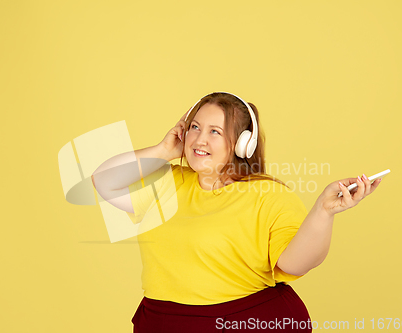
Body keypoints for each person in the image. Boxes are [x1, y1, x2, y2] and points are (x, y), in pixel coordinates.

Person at [91, 92, 383, 333]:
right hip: (162, 322)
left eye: (214, 131)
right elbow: (103, 180)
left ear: (243, 144)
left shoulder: (269, 195)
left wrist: (323, 211)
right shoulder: (167, 180)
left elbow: (295, 264)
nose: (199, 139)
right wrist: (164, 149)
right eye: (194, 127)